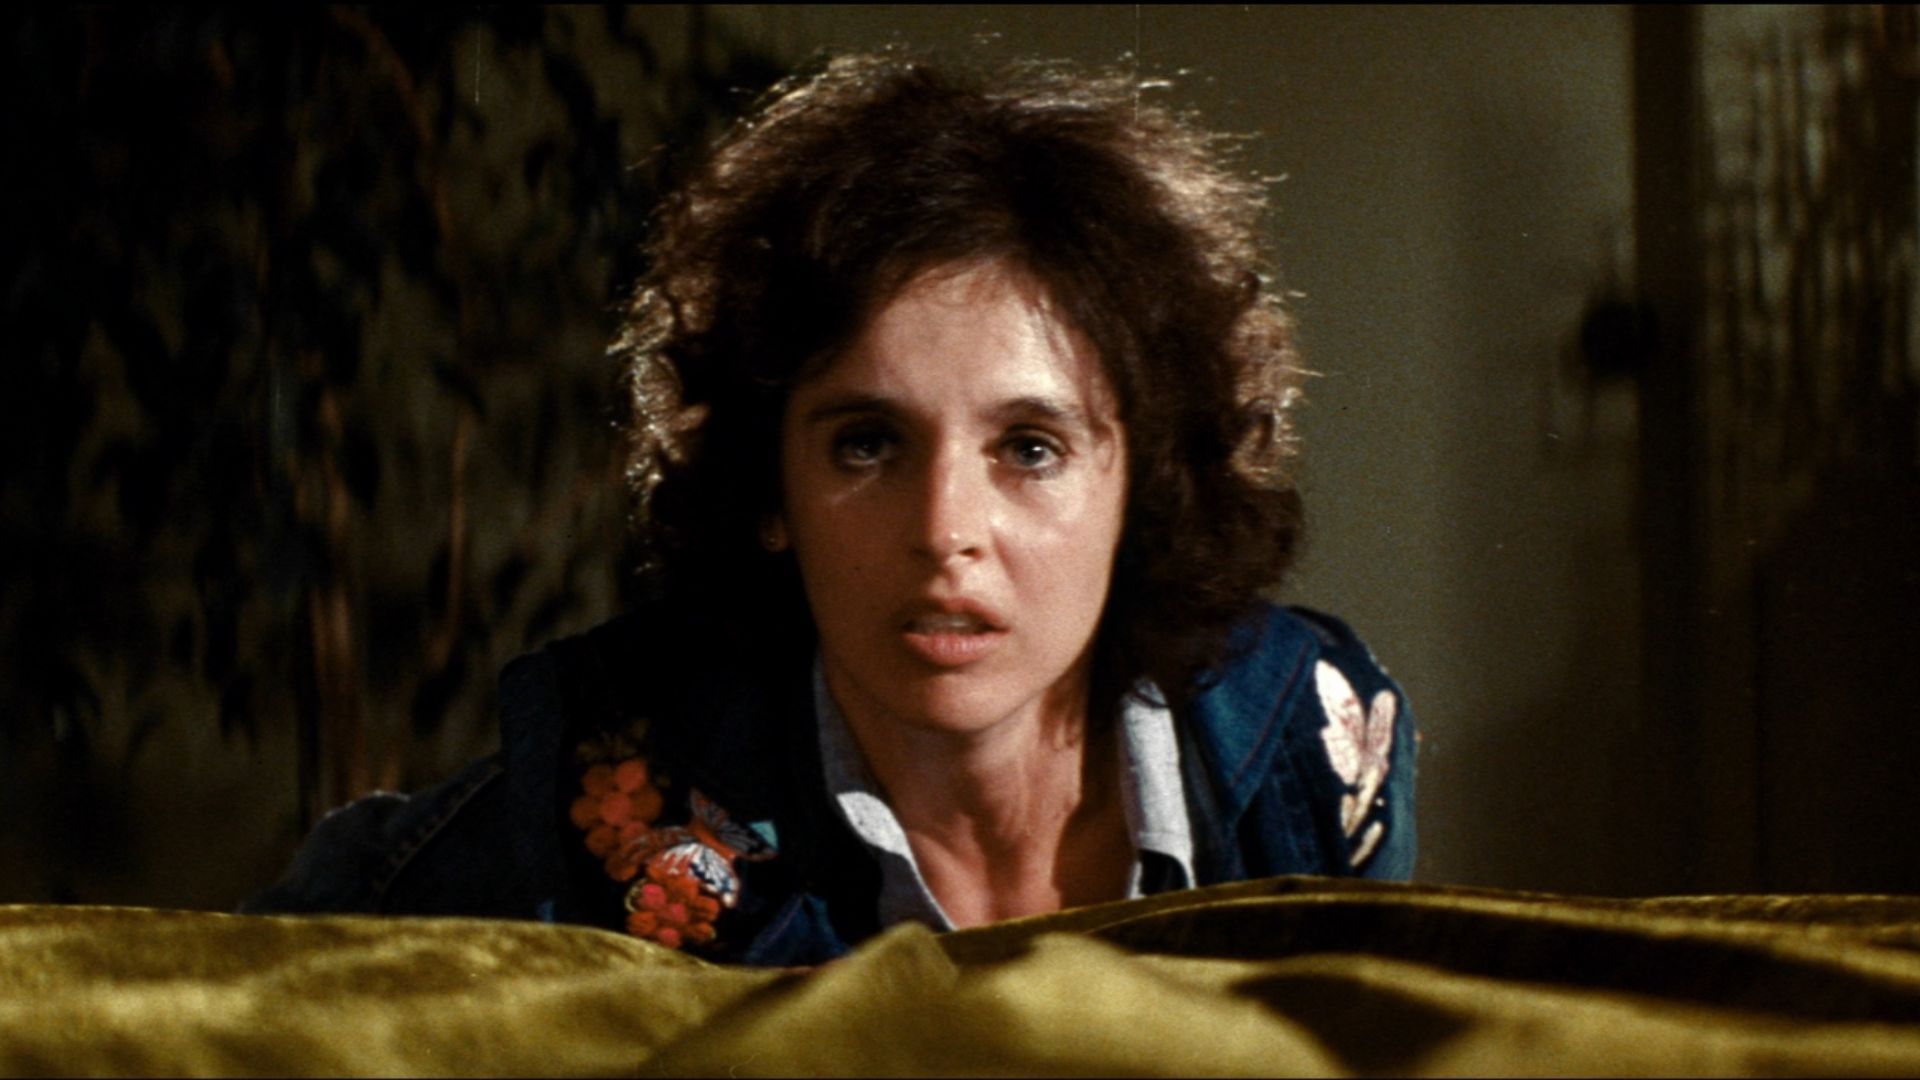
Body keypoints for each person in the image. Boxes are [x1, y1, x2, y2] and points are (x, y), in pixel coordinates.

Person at [245, 52, 1418, 965]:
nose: (944, 529)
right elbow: (253, 979)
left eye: (1029, 448)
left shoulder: (1316, 755)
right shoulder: (613, 792)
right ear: (772, 488)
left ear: (1141, 489)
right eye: (867, 444)